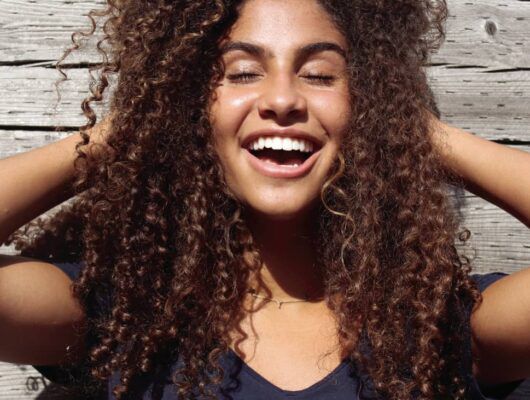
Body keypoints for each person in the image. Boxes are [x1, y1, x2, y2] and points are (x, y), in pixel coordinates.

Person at [0, 0, 529, 398]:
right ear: (187, 105)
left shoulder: (439, 326)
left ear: (368, 107)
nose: (281, 99)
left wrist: (415, 134)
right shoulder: (122, 319)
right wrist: (134, 128)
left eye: (320, 75)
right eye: (242, 73)